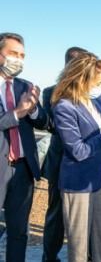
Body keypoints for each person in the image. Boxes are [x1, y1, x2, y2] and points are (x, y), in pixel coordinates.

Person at [51, 52, 101, 262]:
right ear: (80, 77)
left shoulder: (97, 102)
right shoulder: (64, 107)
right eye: (97, 82)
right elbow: (77, 151)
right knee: (79, 246)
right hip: (78, 182)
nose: (100, 87)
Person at [0, 32, 48, 261]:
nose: (18, 60)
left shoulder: (25, 86)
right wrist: (18, 113)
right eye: (13, 54)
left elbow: (44, 122)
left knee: (19, 232)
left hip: (22, 169)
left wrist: (34, 108)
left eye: (22, 55)